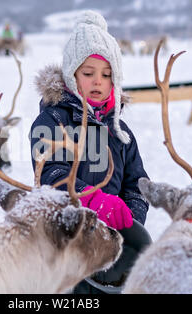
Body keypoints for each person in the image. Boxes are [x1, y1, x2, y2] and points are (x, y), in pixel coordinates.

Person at [29, 11, 150, 293]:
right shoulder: (53, 121)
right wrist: (95, 203)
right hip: (66, 241)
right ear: (72, 74)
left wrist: (130, 222)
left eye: (107, 75)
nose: (98, 81)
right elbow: (51, 173)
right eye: (88, 73)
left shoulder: (121, 133)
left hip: (113, 247)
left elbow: (137, 183)